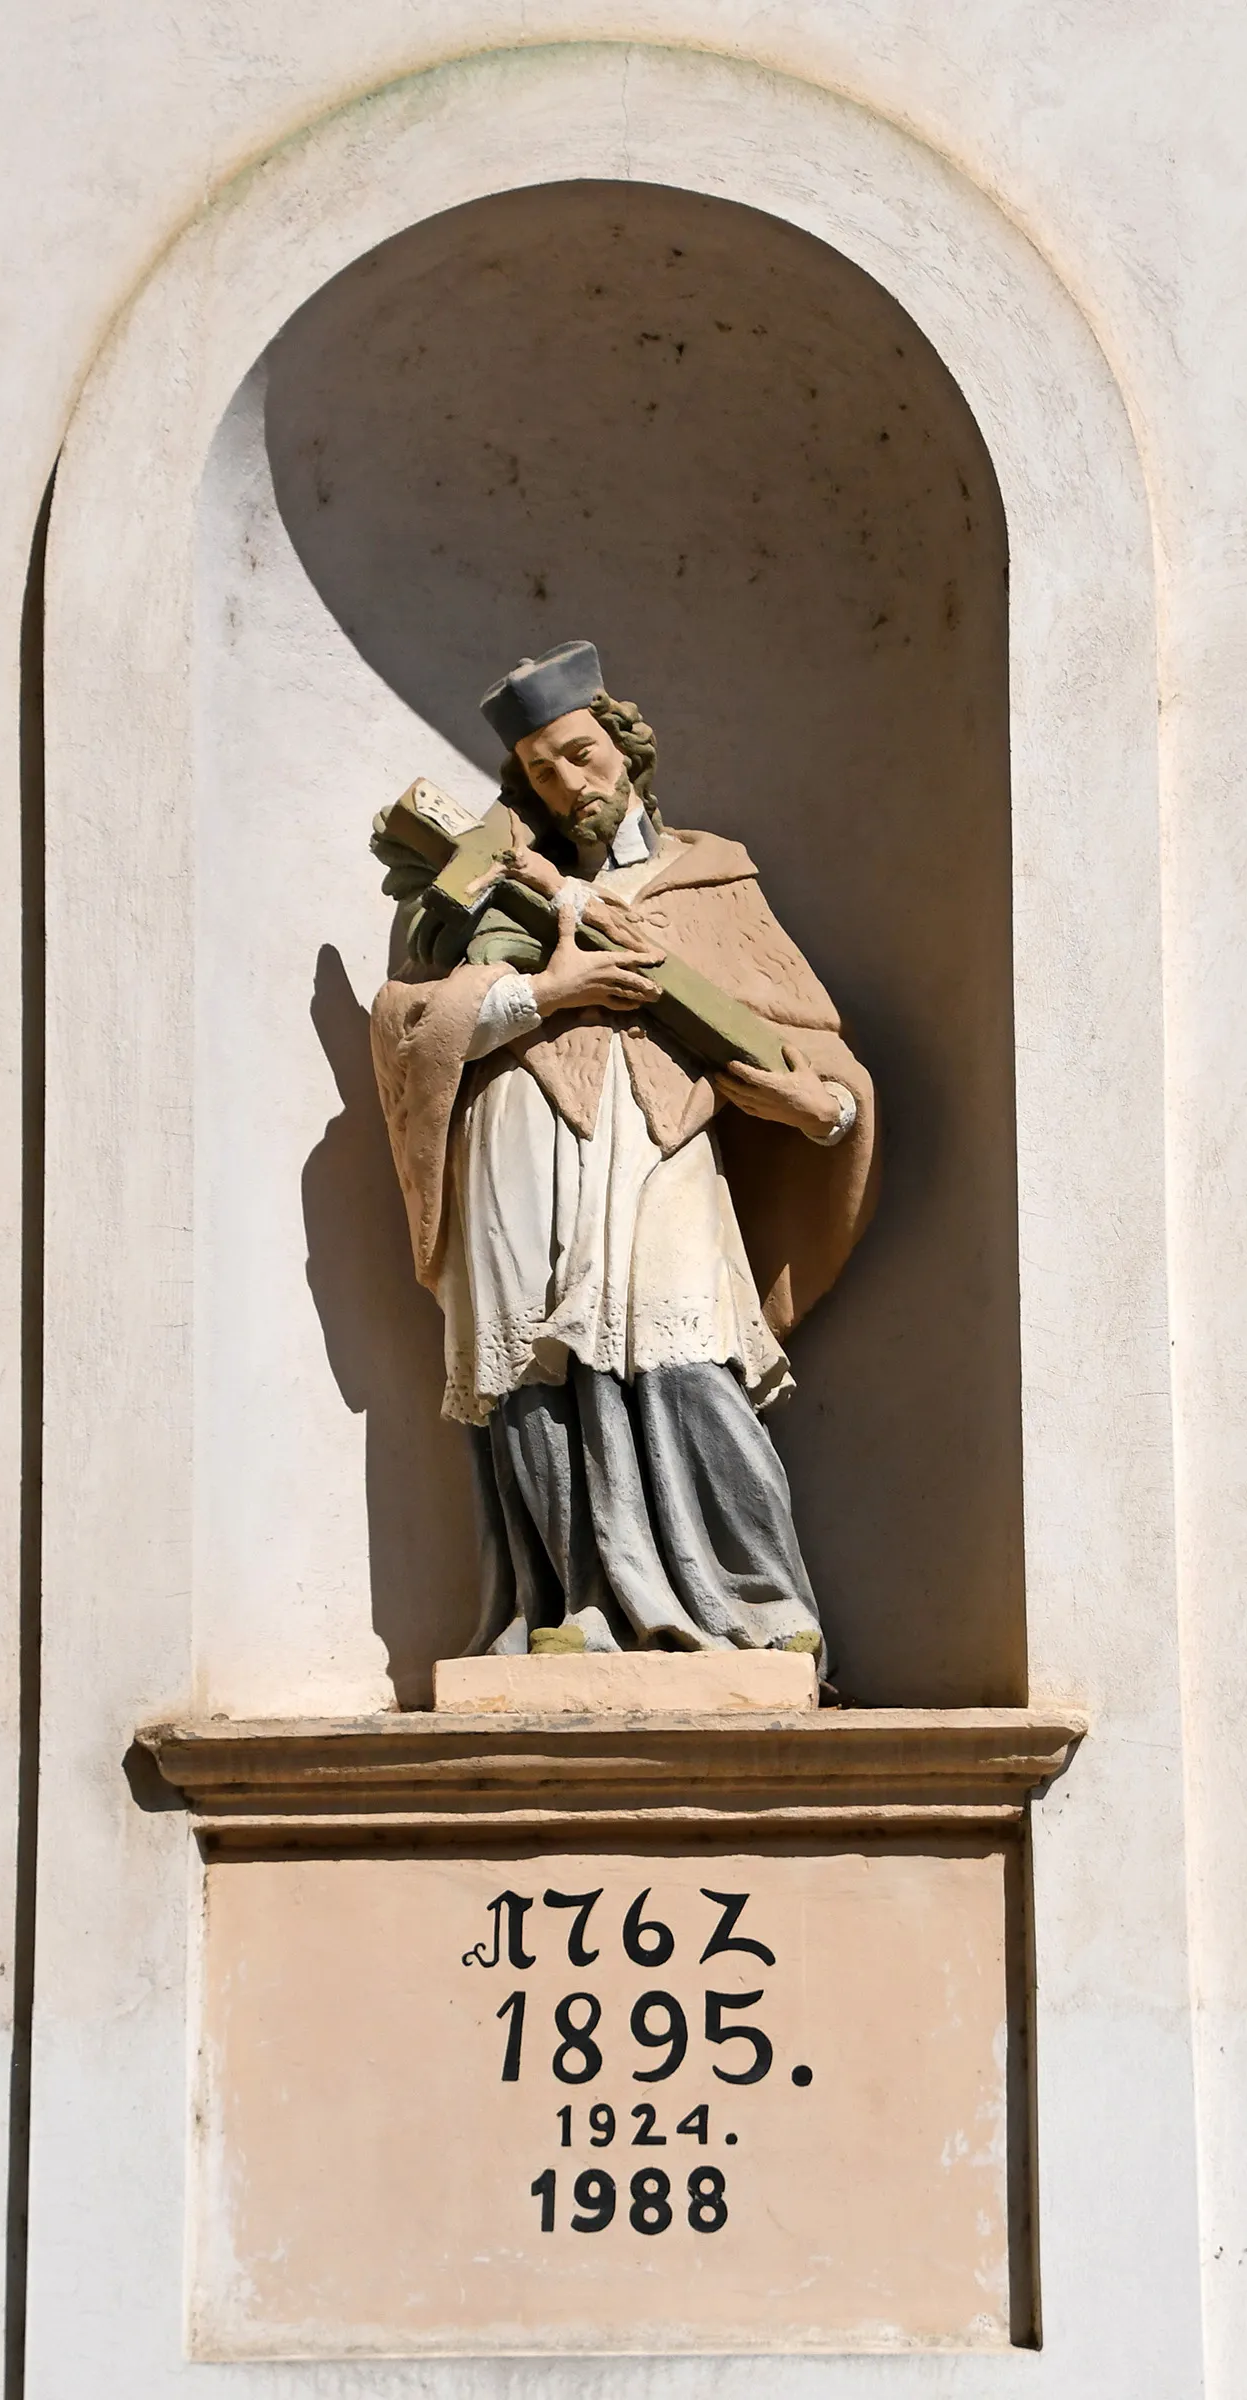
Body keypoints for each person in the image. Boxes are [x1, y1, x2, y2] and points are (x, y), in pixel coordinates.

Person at [370, 640, 877, 1669]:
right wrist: (544, 995)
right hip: (516, 1134)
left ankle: (758, 1609)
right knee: (530, 1370)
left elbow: (810, 1045)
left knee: (686, 1359)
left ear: (626, 748)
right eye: (543, 769)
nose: (567, 780)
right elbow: (406, 1026)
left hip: (658, 1138)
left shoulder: (710, 877)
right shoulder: (489, 885)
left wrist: (813, 1107)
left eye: (580, 752)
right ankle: (569, 1609)